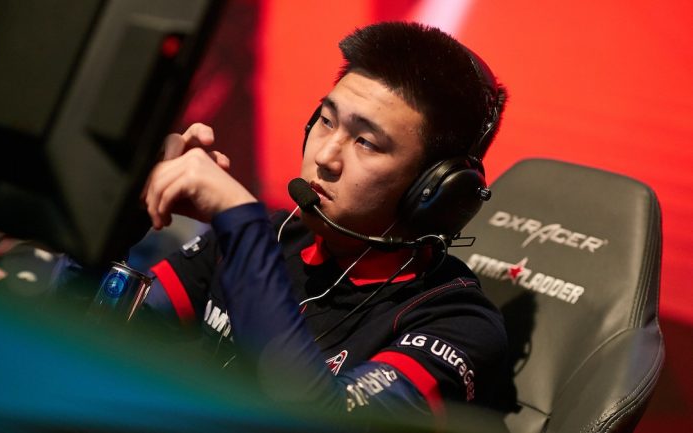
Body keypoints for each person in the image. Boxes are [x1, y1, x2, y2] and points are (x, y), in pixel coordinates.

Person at [140, 21, 513, 422]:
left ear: (436, 189)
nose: (324, 157)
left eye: (365, 142)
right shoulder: (270, 236)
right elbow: (108, 322)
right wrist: (132, 203)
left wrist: (240, 224)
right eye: (326, 120)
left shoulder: (459, 325)